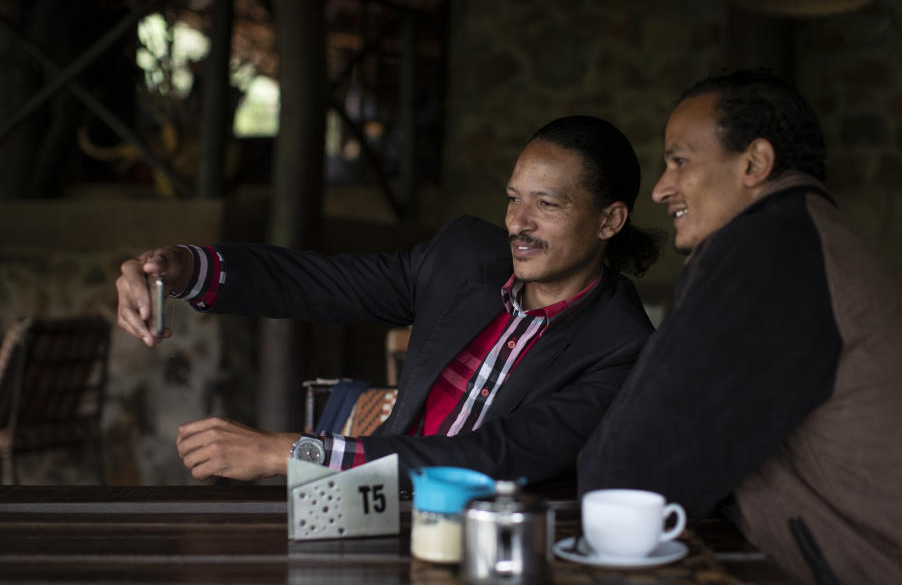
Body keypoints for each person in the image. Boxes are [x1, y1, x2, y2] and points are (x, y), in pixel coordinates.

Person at [116, 115, 662, 490]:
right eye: (514, 199)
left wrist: (287, 452)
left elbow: (489, 458)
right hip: (372, 509)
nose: (518, 223)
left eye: (547, 204)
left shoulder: (621, 347)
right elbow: (318, 281)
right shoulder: (464, 259)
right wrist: (183, 268)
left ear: (609, 220)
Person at [577, 69, 902, 584]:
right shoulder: (802, 237)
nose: (662, 189)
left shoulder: (770, 249)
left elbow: (626, 482)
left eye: (680, 161)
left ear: (755, 163)